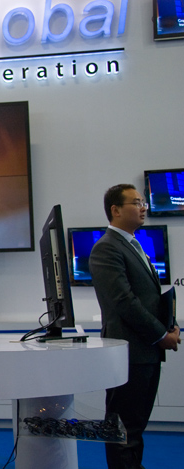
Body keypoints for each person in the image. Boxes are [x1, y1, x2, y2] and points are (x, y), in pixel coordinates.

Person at [89, 183, 180, 469]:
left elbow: (148, 297)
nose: (143, 208)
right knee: (122, 429)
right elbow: (124, 302)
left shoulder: (132, 244)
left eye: (143, 203)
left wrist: (170, 325)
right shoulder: (106, 248)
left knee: (134, 428)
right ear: (115, 210)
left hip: (144, 352)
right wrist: (160, 334)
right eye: (136, 202)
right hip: (129, 353)